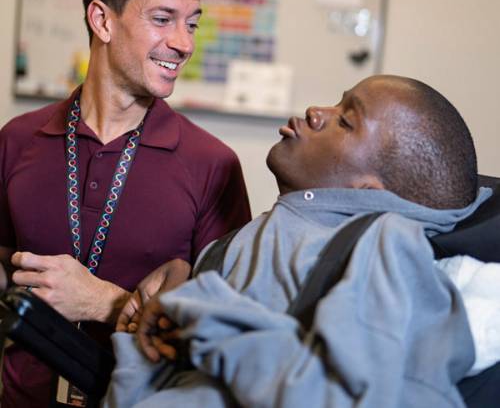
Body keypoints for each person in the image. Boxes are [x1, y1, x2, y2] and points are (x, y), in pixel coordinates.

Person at [105, 74, 494, 408]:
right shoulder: (240, 243)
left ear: (369, 190)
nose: (315, 111)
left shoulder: (384, 246)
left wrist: (197, 314)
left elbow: (349, 394)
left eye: (345, 120)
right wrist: (158, 321)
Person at [0, 0, 251, 407]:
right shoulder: (17, 138)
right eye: (163, 20)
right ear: (102, 20)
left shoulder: (212, 164)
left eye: (191, 25)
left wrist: (104, 302)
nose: (183, 44)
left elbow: (231, 331)